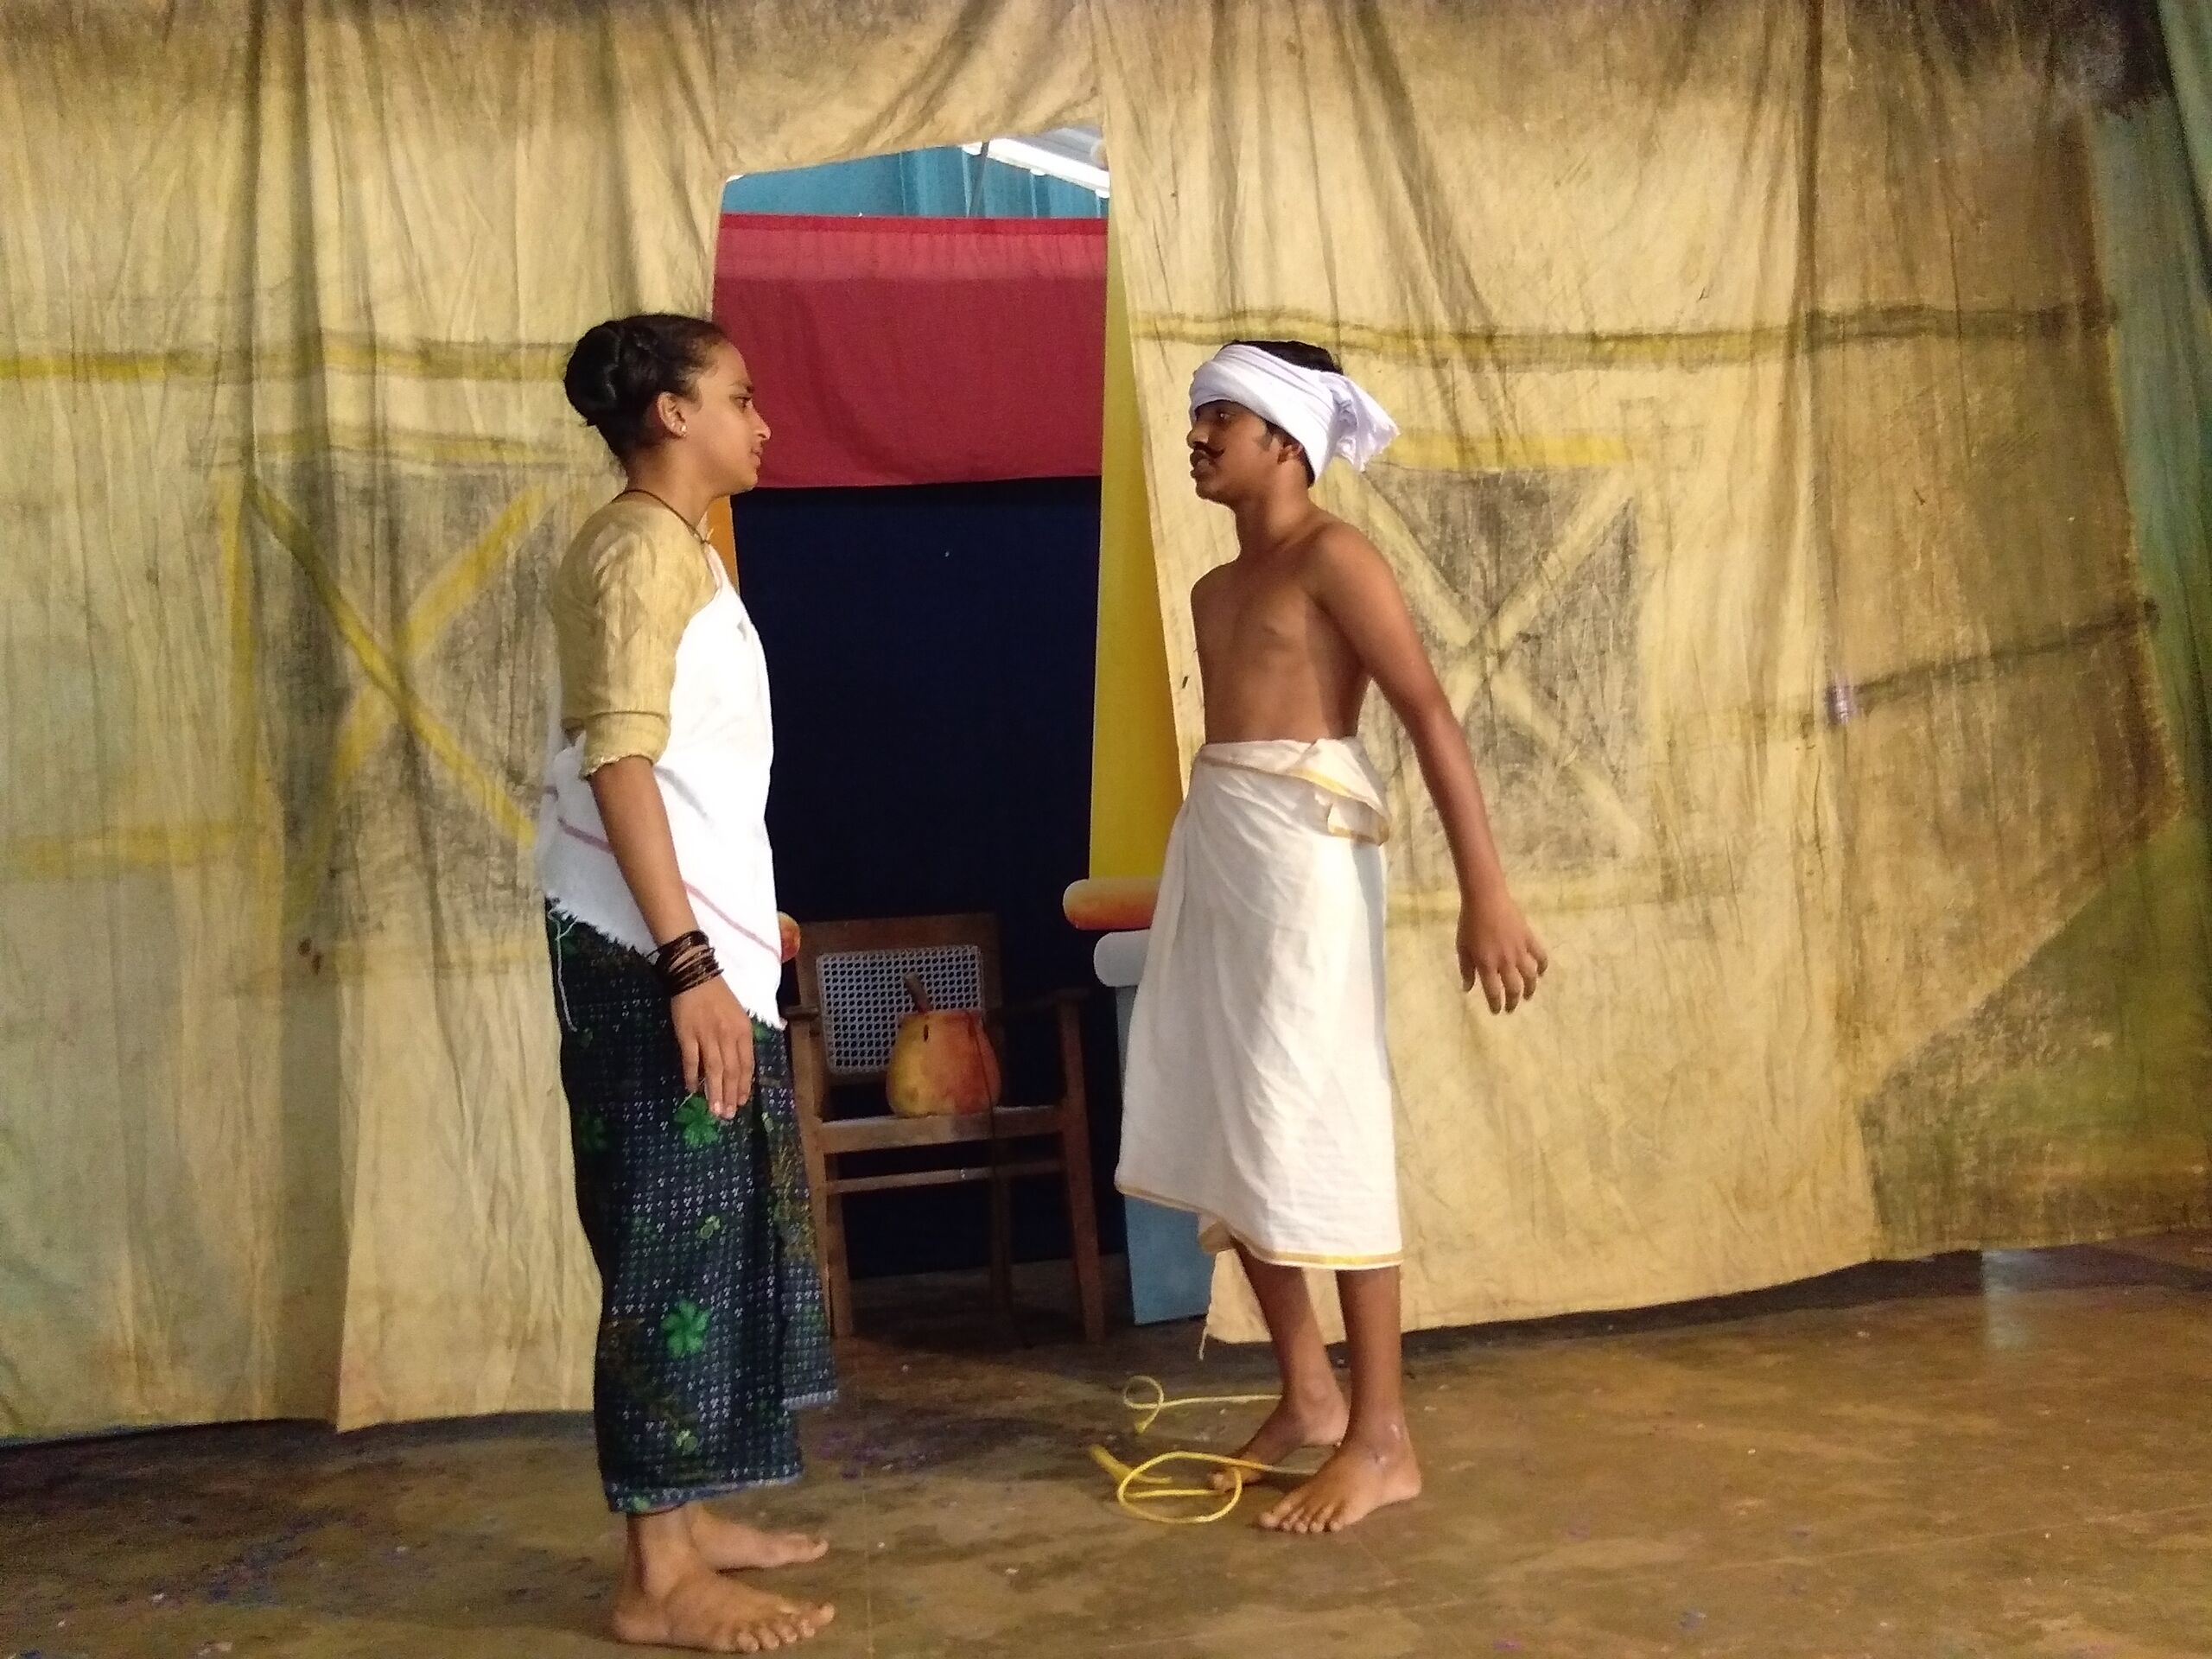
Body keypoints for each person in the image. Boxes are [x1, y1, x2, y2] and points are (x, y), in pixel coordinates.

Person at [1116, 339, 1549, 1535]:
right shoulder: (1213, 591)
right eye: (1198, 414)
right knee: (1236, 1114)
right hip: (1224, 857)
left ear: (1286, 439)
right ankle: (1310, 1395)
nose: (1198, 435)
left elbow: (1427, 711)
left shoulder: (1334, 557)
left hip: (1308, 867)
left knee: (1324, 1113)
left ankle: (1384, 1436)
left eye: (1222, 416)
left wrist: (1486, 892)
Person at [538, 313, 836, 1649]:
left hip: (686, 940)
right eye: (740, 397)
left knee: (713, 1233)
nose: (762, 423)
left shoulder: (683, 550)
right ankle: (655, 1578)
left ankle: (690, 1516)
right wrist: (688, 958)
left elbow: (692, 771)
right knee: (668, 1241)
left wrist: (736, 919)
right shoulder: (632, 551)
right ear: (670, 412)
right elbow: (618, 761)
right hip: (641, 953)